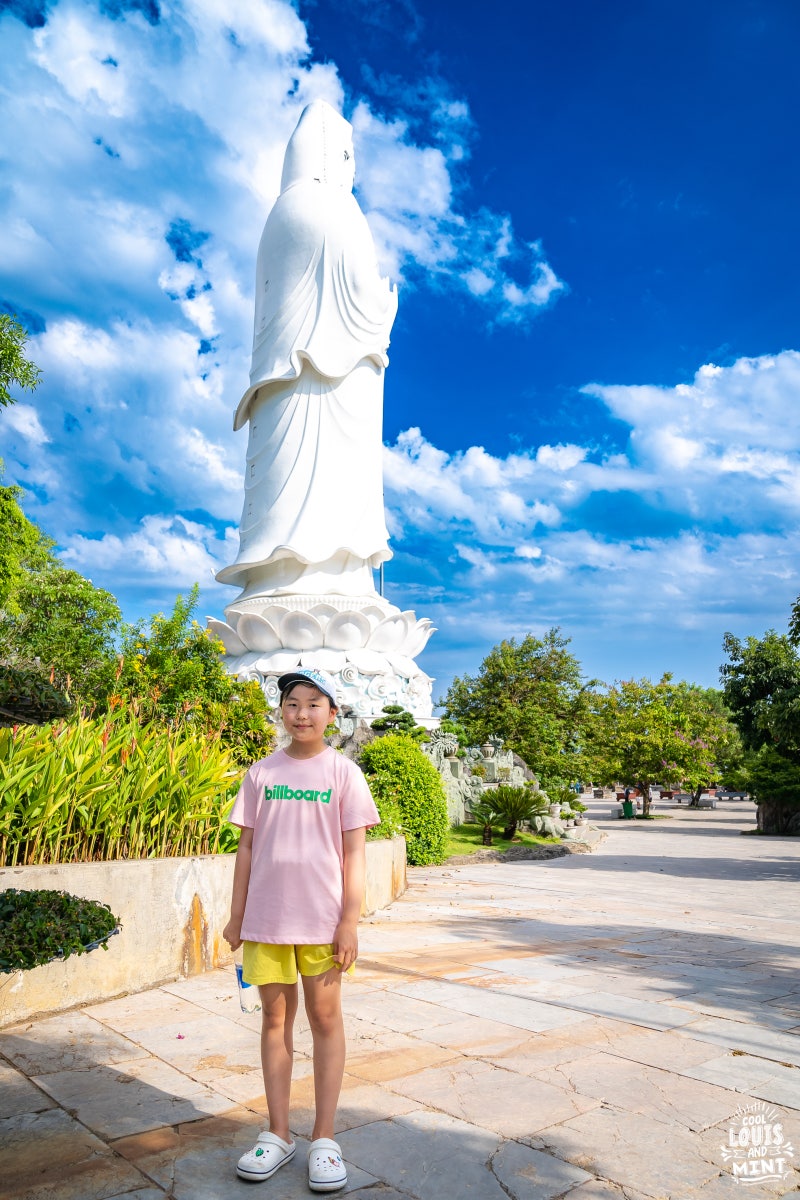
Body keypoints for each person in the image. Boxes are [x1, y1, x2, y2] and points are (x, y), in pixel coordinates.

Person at [223, 666, 379, 1192]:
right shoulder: (261, 773)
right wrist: (236, 914)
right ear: (282, 711)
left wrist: (349, 921)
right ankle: (278, 1134)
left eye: (315, 703)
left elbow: (354, 855)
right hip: (268, 920)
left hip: (323, 922)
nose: (302, 713)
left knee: (326, 1019)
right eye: (293, 703)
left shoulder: (343, 774)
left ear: (332, 714)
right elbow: (245, 849)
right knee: (274, 1019)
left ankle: (325, 1139)